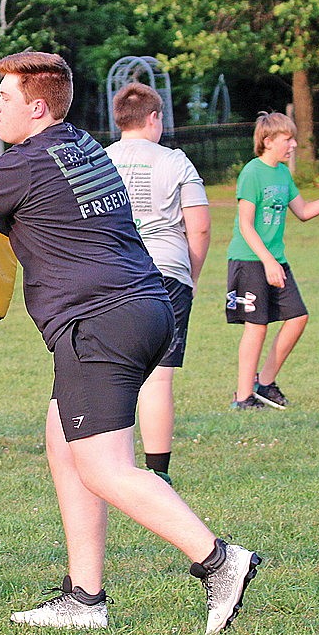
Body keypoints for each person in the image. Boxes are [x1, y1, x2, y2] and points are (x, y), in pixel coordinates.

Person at [0, 51, 260, 635]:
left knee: (103, 467)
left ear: (38, 106)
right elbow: (17, 195)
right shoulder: (78, 146)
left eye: (5, 97)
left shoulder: (25, 165)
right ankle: (84, 598)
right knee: (63, 442)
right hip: (144, 308)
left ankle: (220, 562)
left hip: (98, 323)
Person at [105, 82, 211, 486]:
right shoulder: (177, 162)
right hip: (166, 271)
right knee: (158, 375)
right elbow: (198, 229)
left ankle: (110, 462)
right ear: (154, 118)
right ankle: (158, 471)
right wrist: (192, 276)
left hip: (114, 272)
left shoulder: (99, 158)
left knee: (112, 372)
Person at [226, 111, 319, 409]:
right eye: (287, 139)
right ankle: (243, 397)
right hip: (250, 259)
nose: (293, 144)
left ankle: (263, 383)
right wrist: (267, 261)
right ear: (268, 141)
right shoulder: (252, 173)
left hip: (275, 259)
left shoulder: (282, 174)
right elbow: (246, 226)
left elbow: (303, 211)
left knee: (298, 316)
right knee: (257, 325)